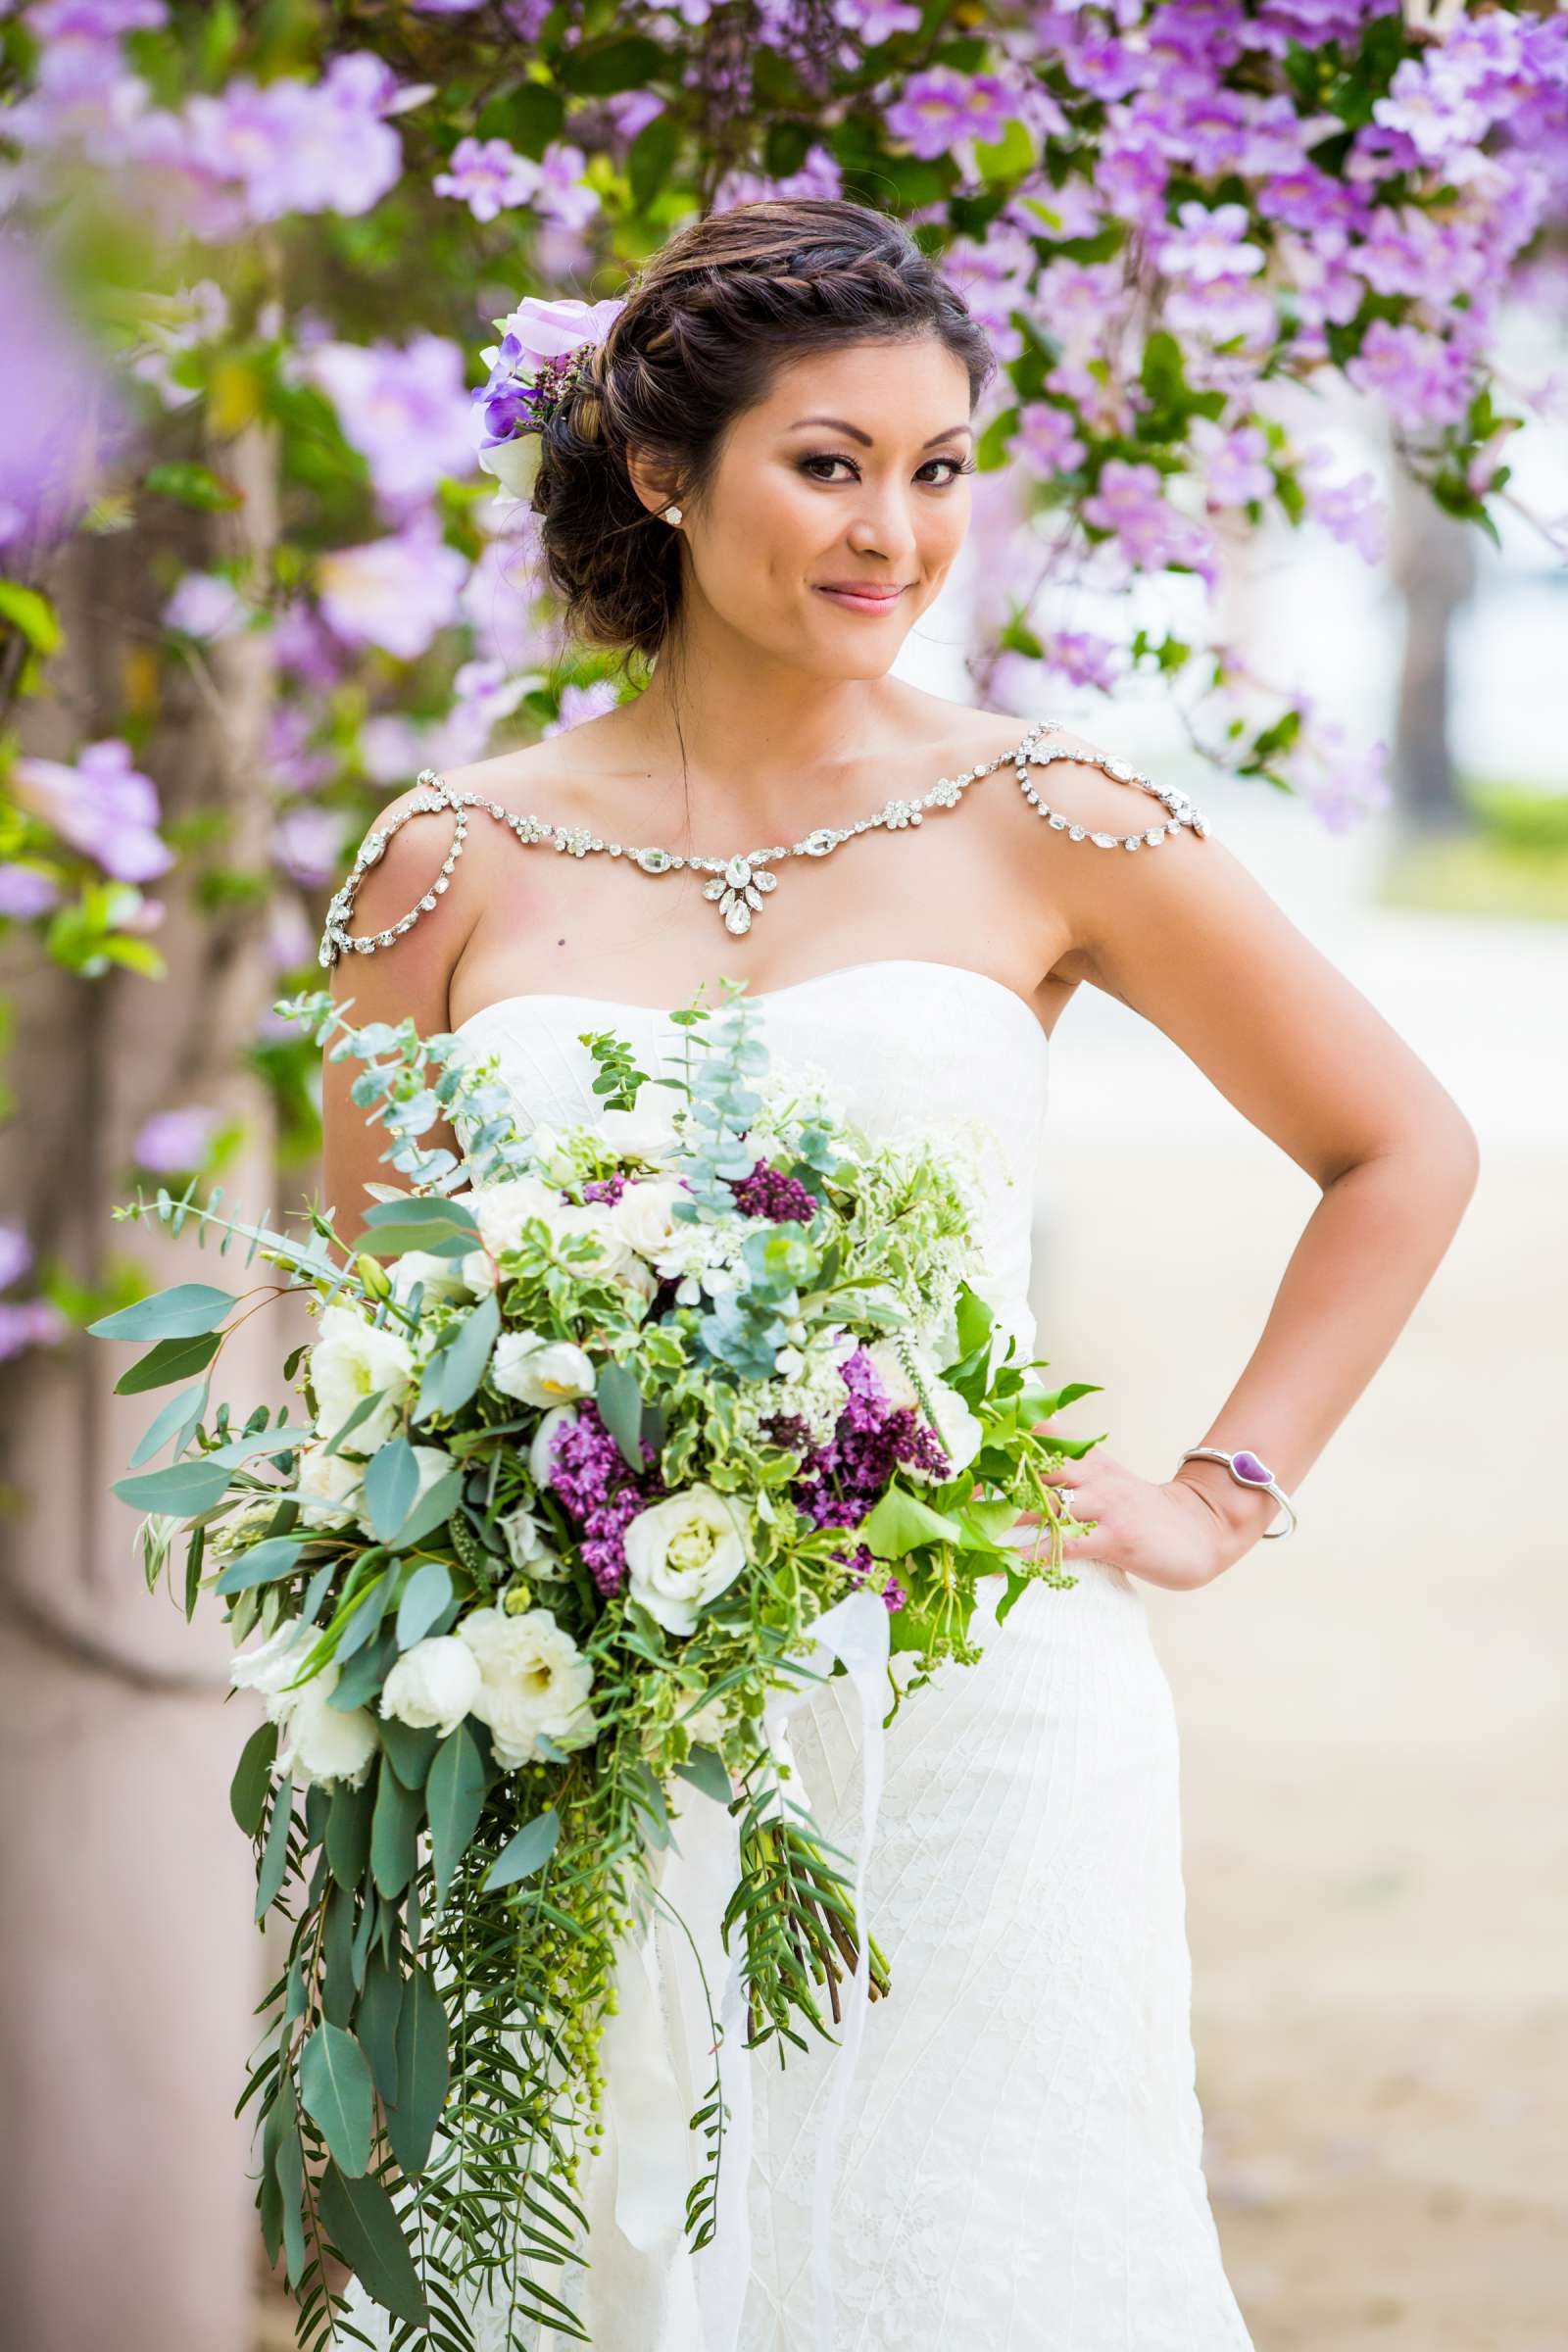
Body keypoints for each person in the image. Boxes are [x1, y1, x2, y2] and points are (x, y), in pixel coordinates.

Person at [320, 197, 1478, 2351]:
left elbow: (1397, 1146)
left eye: (936, 469)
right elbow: (355, 1311)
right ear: (662, 473)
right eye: (828, 465)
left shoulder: (1044, 814)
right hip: (565, 1722)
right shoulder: (446, 858)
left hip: (977, 1706)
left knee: (974, 2256)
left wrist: (1215, 1498)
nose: (894, 533)